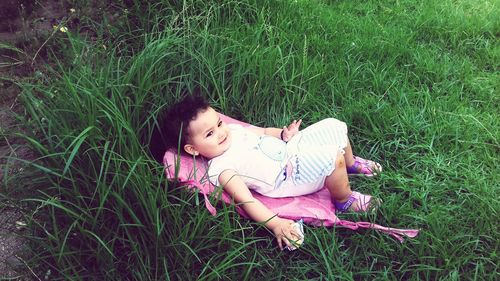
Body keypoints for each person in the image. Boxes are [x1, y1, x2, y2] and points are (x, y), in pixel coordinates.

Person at [159, 95, 382, 250]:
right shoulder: (221, 168)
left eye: (219, 123)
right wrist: (275, 223)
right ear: (192, 149)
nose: (220, 132)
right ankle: (343, 199)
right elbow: (247, 201)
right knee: (332, 157)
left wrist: (284, 134)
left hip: (290, 150)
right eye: (209, 134)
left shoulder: (234, 131)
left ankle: (350, 163)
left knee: (335, 126)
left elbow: (265, 132)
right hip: (288, 176)